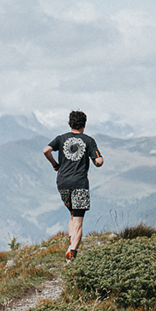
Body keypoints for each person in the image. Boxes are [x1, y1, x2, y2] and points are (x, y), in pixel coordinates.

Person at [43, 110, 103, 260]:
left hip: (62, 182)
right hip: (79, 183)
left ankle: (71, 242)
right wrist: (97, 161)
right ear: (84, 124)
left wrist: (55, 164)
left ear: (70, 123)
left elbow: (46, 150)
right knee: (78, 219)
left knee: (71, 213)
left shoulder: (61, 138)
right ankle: (72, 252)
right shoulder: (88, 141)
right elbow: (99, 161)